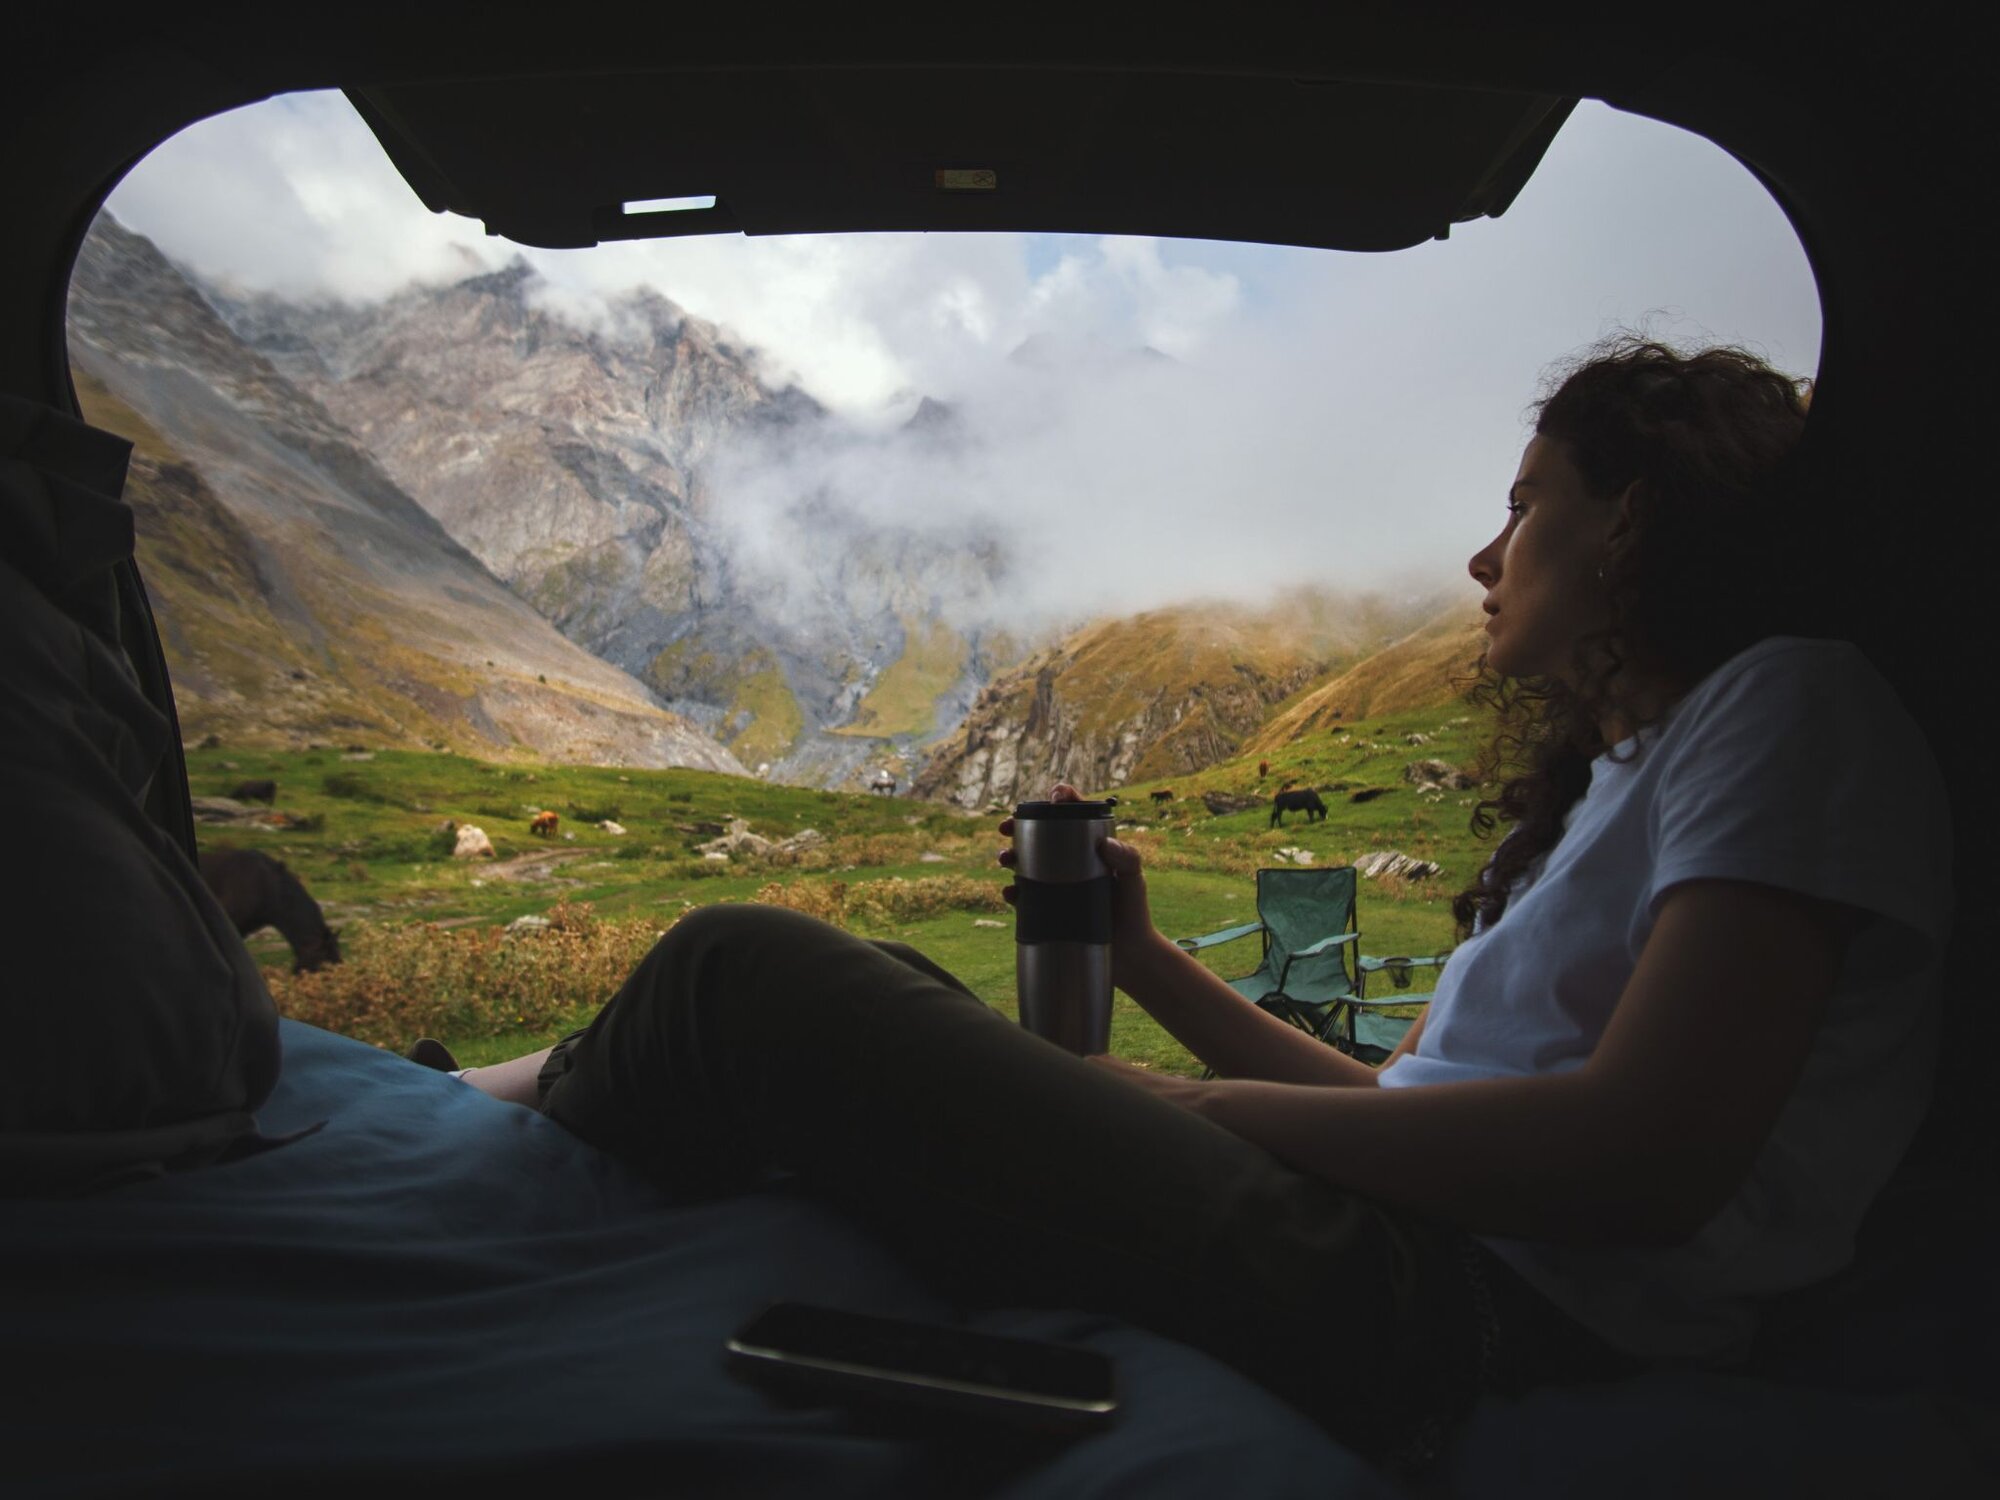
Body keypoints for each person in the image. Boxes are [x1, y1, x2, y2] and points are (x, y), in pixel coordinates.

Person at [435, 339, 1952, 1469]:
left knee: (741, 971)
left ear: (1636, 520)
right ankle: (477, 1101)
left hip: (1468, 1314)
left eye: (1527, 505)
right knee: (875, 966)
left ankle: (441, 1133)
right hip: (1416, 1249)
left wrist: (1202, 1110)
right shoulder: (1630, 773)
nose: (1485, 556)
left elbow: (1649, 1164)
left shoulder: (1790, 704)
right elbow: (1405, 1112)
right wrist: (1146, 961)